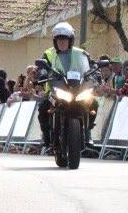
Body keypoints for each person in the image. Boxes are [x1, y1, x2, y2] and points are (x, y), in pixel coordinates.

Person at [36, 22, 93, 150]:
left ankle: (88, 133)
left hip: (77, 88)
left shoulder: (81, 53)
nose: (62, 42)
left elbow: (91, 66)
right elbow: (41, 67)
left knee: (93, 103)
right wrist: (42, 74)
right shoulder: (49, 53)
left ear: (70, 40)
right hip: (55, 90)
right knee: (43, 107)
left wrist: (96, 75)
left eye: (64, 39)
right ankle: (46, 137)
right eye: (59, 40)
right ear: (55, 41)